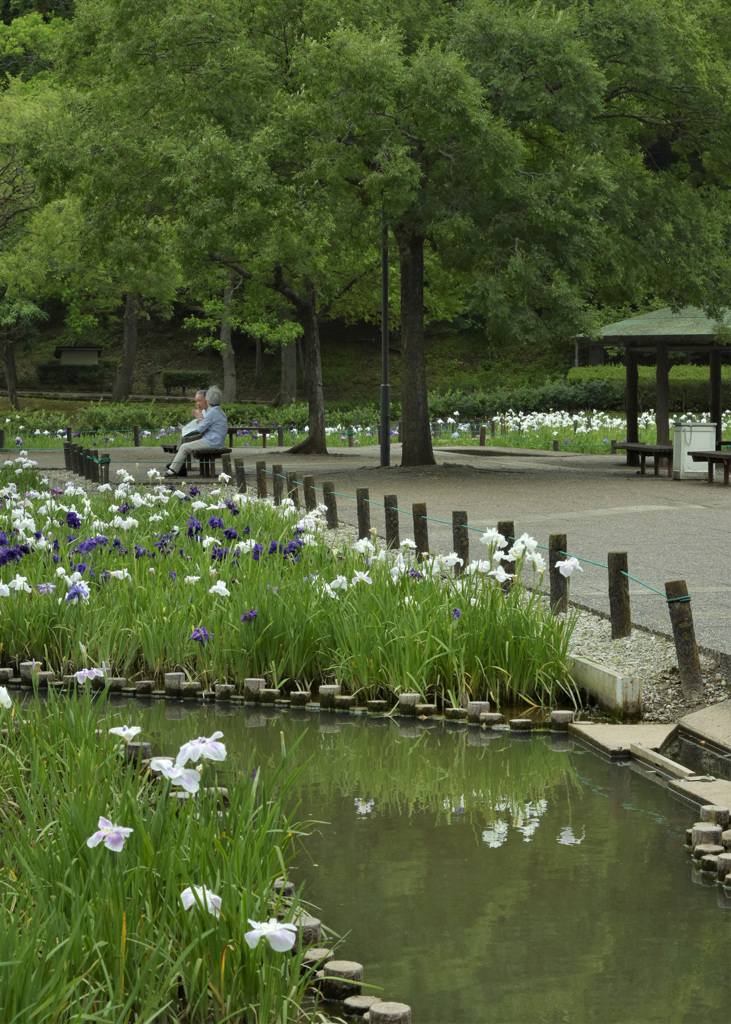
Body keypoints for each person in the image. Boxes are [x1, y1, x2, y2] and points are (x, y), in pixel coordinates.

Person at [166, 386, 228, 477]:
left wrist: (199, 418)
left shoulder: (212, 412)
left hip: (212, 441)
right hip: (215, 440)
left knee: (184, 447)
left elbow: (200, 429)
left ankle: (172, 471)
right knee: (185, 444)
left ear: (207, 400)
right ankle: (177, 467)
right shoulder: (219, 410)